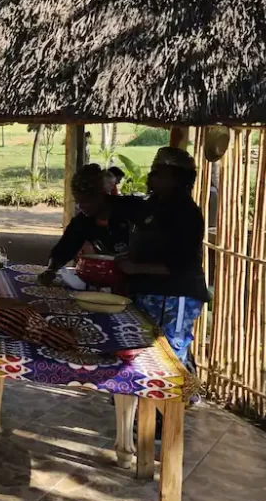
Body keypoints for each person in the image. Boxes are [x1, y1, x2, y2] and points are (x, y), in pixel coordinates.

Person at [117, 147, 209, 370]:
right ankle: (147, 403)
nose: (152, 175)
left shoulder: (187, 214)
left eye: (159, 172)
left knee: (169, 360)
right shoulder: (153, 205)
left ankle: (172, 402)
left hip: (175, 296)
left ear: (177, 178)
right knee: (144, 358)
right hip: (149, 293)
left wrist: (134, 268)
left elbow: (180, 266)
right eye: (153, 170)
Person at [38, 164, 146, 285]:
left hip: (143, 282)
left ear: (101, 196)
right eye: (78, 202)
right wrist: (51, 269)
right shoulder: (82, 222)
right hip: (110, 283)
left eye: (85, 201)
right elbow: (63, 250)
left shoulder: (132, 209)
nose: (81, 206)